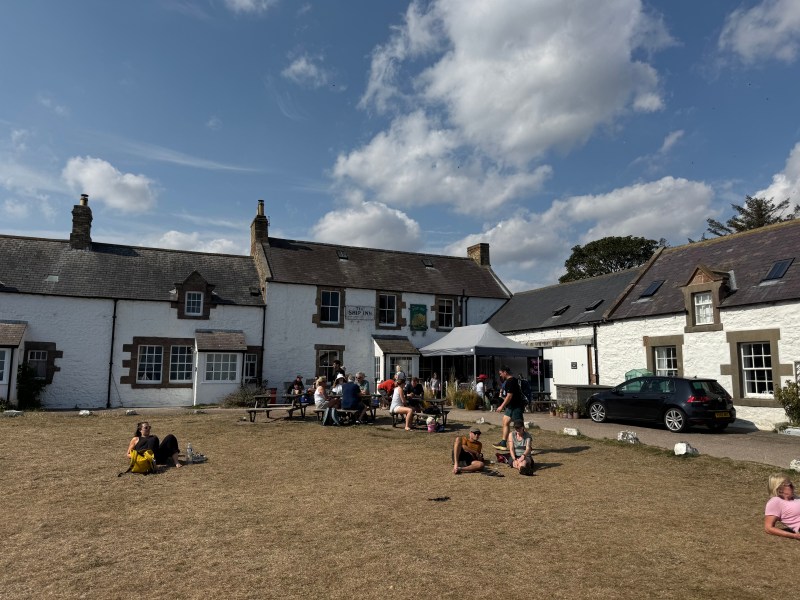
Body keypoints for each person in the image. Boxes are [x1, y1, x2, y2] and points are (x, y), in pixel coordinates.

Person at [493, 365, 525, 451]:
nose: (500, 375)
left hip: (516, 407)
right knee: (505, 422)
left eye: (500, 373)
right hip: (510, 407)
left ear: (505, 372)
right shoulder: (509, 381)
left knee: (519, 426)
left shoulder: (511, 381)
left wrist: (501, 406)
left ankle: (525, 445)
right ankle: (503, 443)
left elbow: (510, 396)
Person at [764, 475, 800, 539]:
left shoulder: (796, 498)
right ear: (780, 488)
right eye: (789, 485)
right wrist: (793, 535)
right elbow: (768, 528)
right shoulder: (775, 501)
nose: (793, 486)